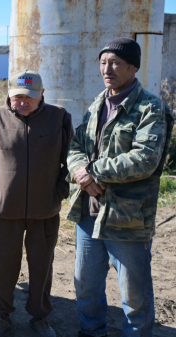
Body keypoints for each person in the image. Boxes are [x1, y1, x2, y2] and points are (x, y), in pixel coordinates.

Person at [67, 38, 173, 337]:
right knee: (85, 284)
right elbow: (76, 145)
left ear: (133, 66)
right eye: (103, 62)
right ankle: (92, 332)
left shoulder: (150, 108)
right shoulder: (97, 104)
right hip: (89, 213)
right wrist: (78, 171)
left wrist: (93, 172)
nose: (106, 68)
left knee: (134, 294)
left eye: (114, 62)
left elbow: (145, 159)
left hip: (127, 218)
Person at [0, 70, 74, 337]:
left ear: (42, 94)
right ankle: (0, 316)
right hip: (3, 210)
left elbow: (72, 161)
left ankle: (40, 317)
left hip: (45, 210)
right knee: (0, 266)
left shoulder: (59, 117)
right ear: (9, 94)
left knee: (42, 266)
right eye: (17, 96)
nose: (23, 102)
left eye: (29, 97)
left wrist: (59, 191)